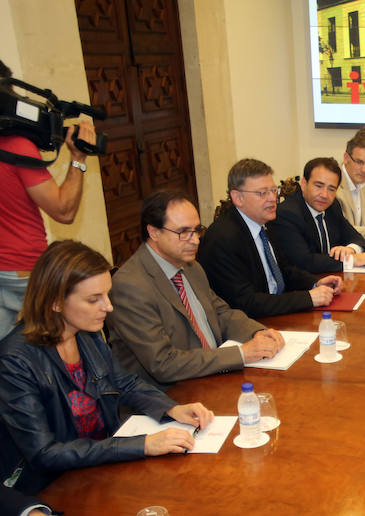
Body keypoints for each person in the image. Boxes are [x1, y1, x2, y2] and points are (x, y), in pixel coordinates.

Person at [0, 240, 214, 495]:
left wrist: (172, 408)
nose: (108, 307)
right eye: (94, 299)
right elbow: (45, 453)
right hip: (58, 485)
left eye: (107, 295)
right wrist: (142, 445)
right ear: (55, 302)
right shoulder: (14, 361)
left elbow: (124, 382)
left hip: (106, 464)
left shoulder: (85, 332)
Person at [108, 191, 285, 390]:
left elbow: (221, 313)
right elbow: (163, 363)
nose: (195, 241)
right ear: (154, 232)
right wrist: (242, 354)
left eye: (197, 230)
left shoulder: (191, 266)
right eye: (184, 232)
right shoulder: (130, 286)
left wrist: (257, 333)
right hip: (173, 396)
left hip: (213, 377)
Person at [0, 60, 98, 339]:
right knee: (60, 343)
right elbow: (64, 210)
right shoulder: (16, 146)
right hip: (23, 271)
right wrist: (78, 159)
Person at [197, 158, 343, 318]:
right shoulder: (223, 239)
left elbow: (283, 270)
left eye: (273, 191)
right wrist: (308, 298)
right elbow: (245, 302)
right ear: (238, 198)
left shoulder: (265, 222)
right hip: (253, 323)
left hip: (277, 313)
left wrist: (314, 283)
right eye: (262, 193)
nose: (273, 199)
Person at [268, 157, 365, 273]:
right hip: (304, 287)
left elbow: (357, 238)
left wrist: (349, 249)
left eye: (331, 189)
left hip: (330, 279)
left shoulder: (332, 206)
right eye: (318, 186)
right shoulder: (287, 213)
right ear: (303, 184)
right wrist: (351, 260)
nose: (324, 195)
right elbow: (305, 262)